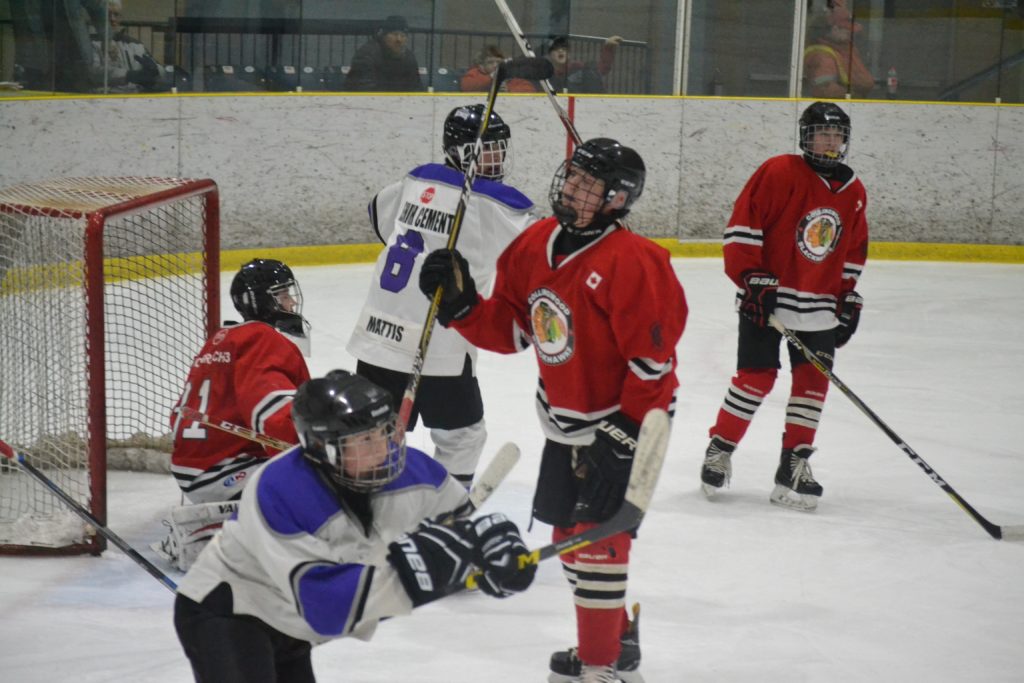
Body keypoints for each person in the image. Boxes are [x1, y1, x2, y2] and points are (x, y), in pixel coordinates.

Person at [417, 138, 687, 683]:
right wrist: (463, 307)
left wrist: (627, 431)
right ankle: (615, 637)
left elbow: (653, 363)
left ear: (617, 200)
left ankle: (602, 666)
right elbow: (515, 329)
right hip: (564, 420)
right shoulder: (536, 243)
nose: (573, 189)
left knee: (600, 540)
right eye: (573, 177)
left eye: (590, 184)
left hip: (630, 419)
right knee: (568, 536)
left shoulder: (635, 261)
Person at [174, 371, 536, 682]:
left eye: (382, 432)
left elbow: (460, 527)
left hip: (293, 625)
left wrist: (490, 549)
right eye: (363, 440)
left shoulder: (415, 472)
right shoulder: (281, 489)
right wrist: (418, 569)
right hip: (231, 610)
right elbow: (327, 607)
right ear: (321, 446)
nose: (381, 448)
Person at [346, 104, 536, 490]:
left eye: (499, 149)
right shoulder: (492, 201)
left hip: (377, 336)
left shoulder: (418, 179)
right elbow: (541, 248)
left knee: (376, 433)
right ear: (461, 151)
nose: (496, 159)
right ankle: (448, 505)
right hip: (438, 342)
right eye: (487, 150)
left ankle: (372, 499)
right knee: (462, 435)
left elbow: (378, 213)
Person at [699, 101, 869, 512]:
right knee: (756, 378)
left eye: (836, 135)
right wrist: (751, 278)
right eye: (821, 134)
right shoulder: (778, 171)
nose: (829, 142)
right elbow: (744, 225)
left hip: (820, 305)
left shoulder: (854, 190)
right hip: (767, 299)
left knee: (813, 384)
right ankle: (720, 449)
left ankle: (794, 463)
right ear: (805, 137)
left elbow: (853, 250)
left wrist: (848, 295)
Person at [158, 258, 312, 571]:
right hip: (226, 471)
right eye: (282, 294)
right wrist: (314, 449)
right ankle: (210, 534)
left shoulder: (222, 338)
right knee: (323, 489)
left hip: (199, 466)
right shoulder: (263, 339)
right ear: (263, 301)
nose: (291, 301)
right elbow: (270, 415)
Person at [803, 0, 875, 99]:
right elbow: (824, 90)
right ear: (834, 29)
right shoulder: (821, 56)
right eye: (846, 29)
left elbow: (864, 81)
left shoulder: (845, 50)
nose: (850, 32)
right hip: (836, 108)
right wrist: (853, 96)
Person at [89, 0, 162, 93]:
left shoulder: (135, 45)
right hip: (105, 100)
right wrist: (129, 75)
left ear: (120, 18)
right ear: (98, 17)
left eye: (116, 14)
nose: (112, 19)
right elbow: (92, 73)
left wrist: (155, 70)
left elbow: (161, 71)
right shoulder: (90, 43)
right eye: (107, 14)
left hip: (137, 100)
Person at [344, 14, 423, 92]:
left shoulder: (408, 57)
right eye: (394, 34)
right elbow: (363, 89)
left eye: (403, 35)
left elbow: (416, 88)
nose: (399, 39)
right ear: (383, 36)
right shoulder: (367, 54)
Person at [543, 34, 622, 94]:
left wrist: (608, 49)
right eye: (556, 48)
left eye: (564, 48)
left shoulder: (579, 68)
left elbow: (603, 68)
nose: (560, 51)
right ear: (550, 54)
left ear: (569, 53)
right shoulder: (545, 75)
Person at [460, 44, 536, 93]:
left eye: (499, 62)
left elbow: (530, 90)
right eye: (490, 62)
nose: (495, 65)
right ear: (482, 65)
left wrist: (509, 91)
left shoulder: (512, 75)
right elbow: (467, 87)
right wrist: (491, 77)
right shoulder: (475, 73)